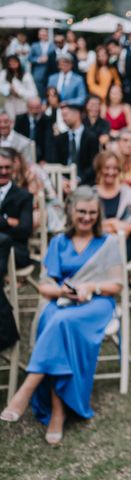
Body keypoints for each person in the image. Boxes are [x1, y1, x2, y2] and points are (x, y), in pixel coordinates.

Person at [0, 186, 123, 445]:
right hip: (63, 301)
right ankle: (57, 410)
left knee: (59, 322)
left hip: (97, 305)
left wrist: (91, 287)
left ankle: (28, 388)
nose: (87, 217)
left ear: (98, 214)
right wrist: (63, 291)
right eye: (81, 211)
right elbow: (45, 287)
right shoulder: (59, 242)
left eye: (92, 212)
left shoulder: (108, 243)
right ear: (70, 210)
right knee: (55, 320)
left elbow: (117, 285)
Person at [0, 148, 33, 352]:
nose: (3, 171)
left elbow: (24, 229)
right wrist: (7, 221)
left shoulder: (23, 196)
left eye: (7, 168)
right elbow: (15, 226)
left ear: (13, 169)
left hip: (15, 251)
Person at [95, 151, 131, 261]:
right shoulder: (92, 195)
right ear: (100, 169)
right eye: (107, 168)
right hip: (96, 247)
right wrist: (114, 223)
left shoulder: (129, 194)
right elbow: (88, 227)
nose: (111, 172)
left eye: (115, 168)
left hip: (122, 247)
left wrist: (103, 226)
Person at [52, 103, 100, 185]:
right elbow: (55, 161)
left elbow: (94, 164)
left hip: (85, 183)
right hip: (63, 183)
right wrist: (63, 181)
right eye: (62, 116)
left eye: (66, 115)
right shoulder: (60, 139)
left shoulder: (92, 137)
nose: (64, 119)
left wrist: (78, 179)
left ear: (77, 114)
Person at [14, 96, 53, 163]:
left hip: (40, 156)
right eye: (32, 108)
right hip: (23, 153)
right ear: (27, 107)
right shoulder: (20, 119)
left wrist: (46, 159)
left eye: (37, 107)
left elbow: (49, 142)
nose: (35, 110)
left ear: (41, 107)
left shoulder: (47, 120)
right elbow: (15, 138)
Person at [0, 54, 38, 120]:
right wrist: (9, 89)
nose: (12, 64)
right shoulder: (4, 74)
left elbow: (33, 93)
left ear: (19, 62)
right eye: (10, 62)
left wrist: (18, 93)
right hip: (9, 103)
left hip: (23, 104)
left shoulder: (26, 75)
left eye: (14, 61)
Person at [29, 28, 56, 98]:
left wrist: (49, 59)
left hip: (50, 72)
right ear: (39, 36)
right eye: (42, 35)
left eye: (45, 34)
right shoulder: (34, 45)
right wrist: (39, 59)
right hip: (38, 72)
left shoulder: (53, 46)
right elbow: (29, 58)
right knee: (39, 90)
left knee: (51, 90)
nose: (44, 36)